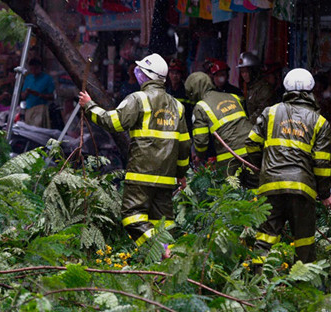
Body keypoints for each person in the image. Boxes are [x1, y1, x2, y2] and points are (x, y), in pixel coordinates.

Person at [78, 53, 191, 248]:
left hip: (141, 174)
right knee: (163, 224)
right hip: (166, 178)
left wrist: (89, 106)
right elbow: (184, 146)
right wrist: (181, 174)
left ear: (146, 76)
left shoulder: (138, 99)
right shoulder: (177, 106)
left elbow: (113, 122)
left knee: (132, 217)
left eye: (140, 72)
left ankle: (160, 250)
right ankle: (167, 267)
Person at [245, 68, 331, 264]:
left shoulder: (269, 112)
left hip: (270, 186)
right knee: (304, 241)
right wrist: (325, 194)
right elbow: (321, 163)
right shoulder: (320, 122)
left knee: (266, 237)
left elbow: (252, 143)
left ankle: (257, 283)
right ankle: (301, 284)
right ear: (311, 90)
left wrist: (260, 170)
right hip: (301, 190)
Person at [184, 71, 257, 189]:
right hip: (252, 149)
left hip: (230, 156)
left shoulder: (201, 107)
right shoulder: (233, 96)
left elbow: (201, 142)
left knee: (230, 196)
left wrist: (198, 156)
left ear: (194, 90)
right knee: (254, 190)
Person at [238, 52, 277, 124]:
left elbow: (262, 112)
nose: (244, 75)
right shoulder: (250, 87)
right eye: (242, 72)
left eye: (246, 71)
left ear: (253, 71)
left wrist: (247, 124)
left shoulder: (264, 88)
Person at [21, 57, 55, 128]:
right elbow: (23, 96)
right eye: (31, 69)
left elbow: (52, 96)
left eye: (35, 69)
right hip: (29, 108)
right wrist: (27, 92)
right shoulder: (28, 78)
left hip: (41, 109)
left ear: (40, 68)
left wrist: (39, 95)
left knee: (37, 129)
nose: (33, 71)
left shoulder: (47, 79)